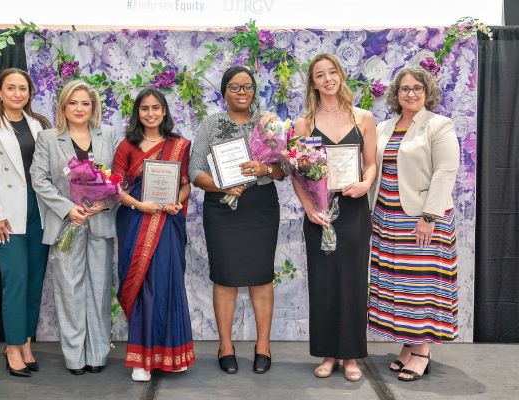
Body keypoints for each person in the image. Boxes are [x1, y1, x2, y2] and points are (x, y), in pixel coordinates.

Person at [189, 66, 285, 375]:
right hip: (221, 208)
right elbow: (194, 172)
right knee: (225, 276)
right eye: (234, 87)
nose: (241, 92)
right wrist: (223, 186)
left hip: (260, 207)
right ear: (224, 91)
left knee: (261, 276)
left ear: (254, 91)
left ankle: (263, 345)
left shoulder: (268, 125)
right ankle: (225, 345)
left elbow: (283, 170)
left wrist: (265, 170)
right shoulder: (211, 124)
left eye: (247, 87)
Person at [368, 66, 460, 382]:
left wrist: (428, 217)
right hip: (387, 219)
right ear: (396, 94)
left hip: (421, 220)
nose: (410, 93)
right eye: (405, 88)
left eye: (417, 88)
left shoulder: (438, 125)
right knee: (399, 287)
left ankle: (422, 352)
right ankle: (409, 346)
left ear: (427, 92)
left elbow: (445, 172)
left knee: (419, 287)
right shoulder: (385, 127)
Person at [292, 53, 377, 382]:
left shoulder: (363, 118)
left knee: (354, 282)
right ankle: (329, 353)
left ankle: (351, 354)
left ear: (341, 75)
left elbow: (370, 164)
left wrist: (366, 183)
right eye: (319, 75)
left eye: (332, 72)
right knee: (324, 283)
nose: (327, 79)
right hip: (321, 213)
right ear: (313, 83)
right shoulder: (304, 124)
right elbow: (298, 176)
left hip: (355, 209)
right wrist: (309, 209)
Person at [30, 80, 118, 375]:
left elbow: (121, 178)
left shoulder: (108, 135)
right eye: (73, 103)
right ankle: (74, 358)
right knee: (69, 291)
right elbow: (39, 179)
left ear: (93, 107)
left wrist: (103, 203)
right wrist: (68, 209)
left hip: (100, 222)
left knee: (100, 290)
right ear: (63, 106)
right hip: (66, 224)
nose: (79, 108)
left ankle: (97, 355)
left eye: (85, 103)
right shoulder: (48, 138)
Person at [0, 68, 51, 377]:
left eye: (23, 88)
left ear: (30, 93)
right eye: (12, 88)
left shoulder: (39, 124)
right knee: (16, 280)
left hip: (38, 212)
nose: (18, 93)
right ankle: (13, 346)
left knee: (33, 281)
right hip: (4, 216)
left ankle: (27, 342)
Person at [113, 88, 195, 382]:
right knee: (144, 285)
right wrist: (139, 204)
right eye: (145, 108)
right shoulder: (127, 146)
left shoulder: (179, 145)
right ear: (138, 113)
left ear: (164, 111)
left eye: (156, 108)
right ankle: (141, 360)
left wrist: (177, 201)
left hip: (168, 222)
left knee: (168, 281)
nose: (150, 113)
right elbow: (116, 188)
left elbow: (185, 184)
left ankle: (173, 353)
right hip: (136, 220)